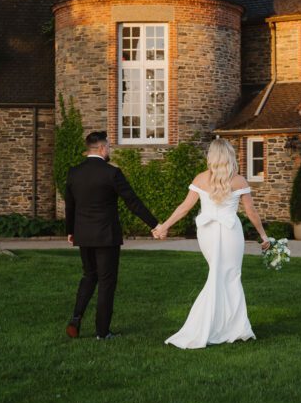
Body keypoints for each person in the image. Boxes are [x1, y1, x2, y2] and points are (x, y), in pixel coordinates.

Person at [154, 138, 271, 349]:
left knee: (217, 274)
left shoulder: (200, 179)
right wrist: (263, 236)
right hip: (230, 232)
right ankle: (229, 328)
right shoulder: (239, 181)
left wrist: (164, 226)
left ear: (211, 157)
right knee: (230, 276)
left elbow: (184, 207)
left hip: (206, 231)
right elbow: (251, 212)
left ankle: (223, 326)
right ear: (229, 156)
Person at [65, 131, 159, 340]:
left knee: (89, 276)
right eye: (108, 146)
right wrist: (154, 224)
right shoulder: (111, 173)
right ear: (101, 148)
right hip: (106, 236)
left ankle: (76, 317)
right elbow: (132, 202)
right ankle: (102, 332)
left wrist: (70, 231)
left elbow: (70, 206)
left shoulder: (74, 173)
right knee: (107, 282)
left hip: (83, 235)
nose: (109, 150)